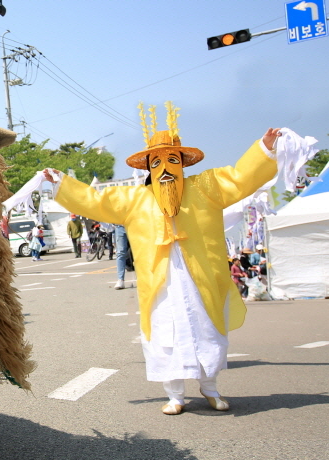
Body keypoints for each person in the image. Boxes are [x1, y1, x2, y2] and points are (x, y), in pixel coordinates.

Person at [44, 100, 281, 415]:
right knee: (165, 332)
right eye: (157, 163)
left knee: (207, 331)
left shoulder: (207, 187)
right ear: (148, 168)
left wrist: (263, 150)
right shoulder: (133, 200)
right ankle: (175, 396)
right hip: (160, 281)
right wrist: (61, 182)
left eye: (172, 160)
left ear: (183, 163)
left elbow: (240, 177)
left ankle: (210, 389)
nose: (166, 169)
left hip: (202, 277)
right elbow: (95, 201)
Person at [113, 225, 130, 289]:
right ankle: (120, 280)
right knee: (120, 252)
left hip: (135, 223)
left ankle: (144, 278)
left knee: (139, 252)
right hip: (120, 225)